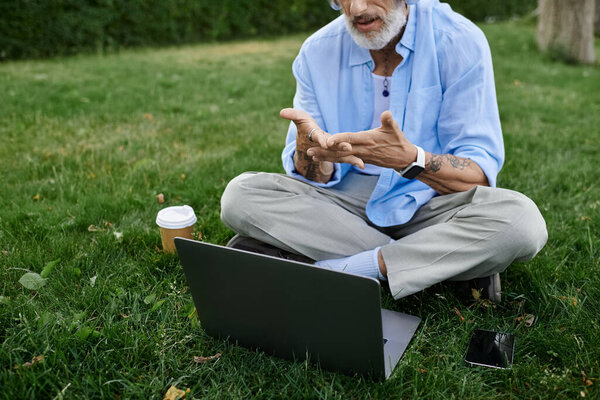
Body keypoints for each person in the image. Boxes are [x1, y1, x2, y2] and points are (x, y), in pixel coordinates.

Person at [220, 0, 548, 302]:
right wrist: (309, 154)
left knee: (521, 222)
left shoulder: (458, 40)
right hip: (343, 204)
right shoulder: (316, 52)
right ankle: (443, 267)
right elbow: (313, 178)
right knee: (241, 196)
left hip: (430, 203)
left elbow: (476, 174)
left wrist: (410, 160)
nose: (358, 8)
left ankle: (342, 268)